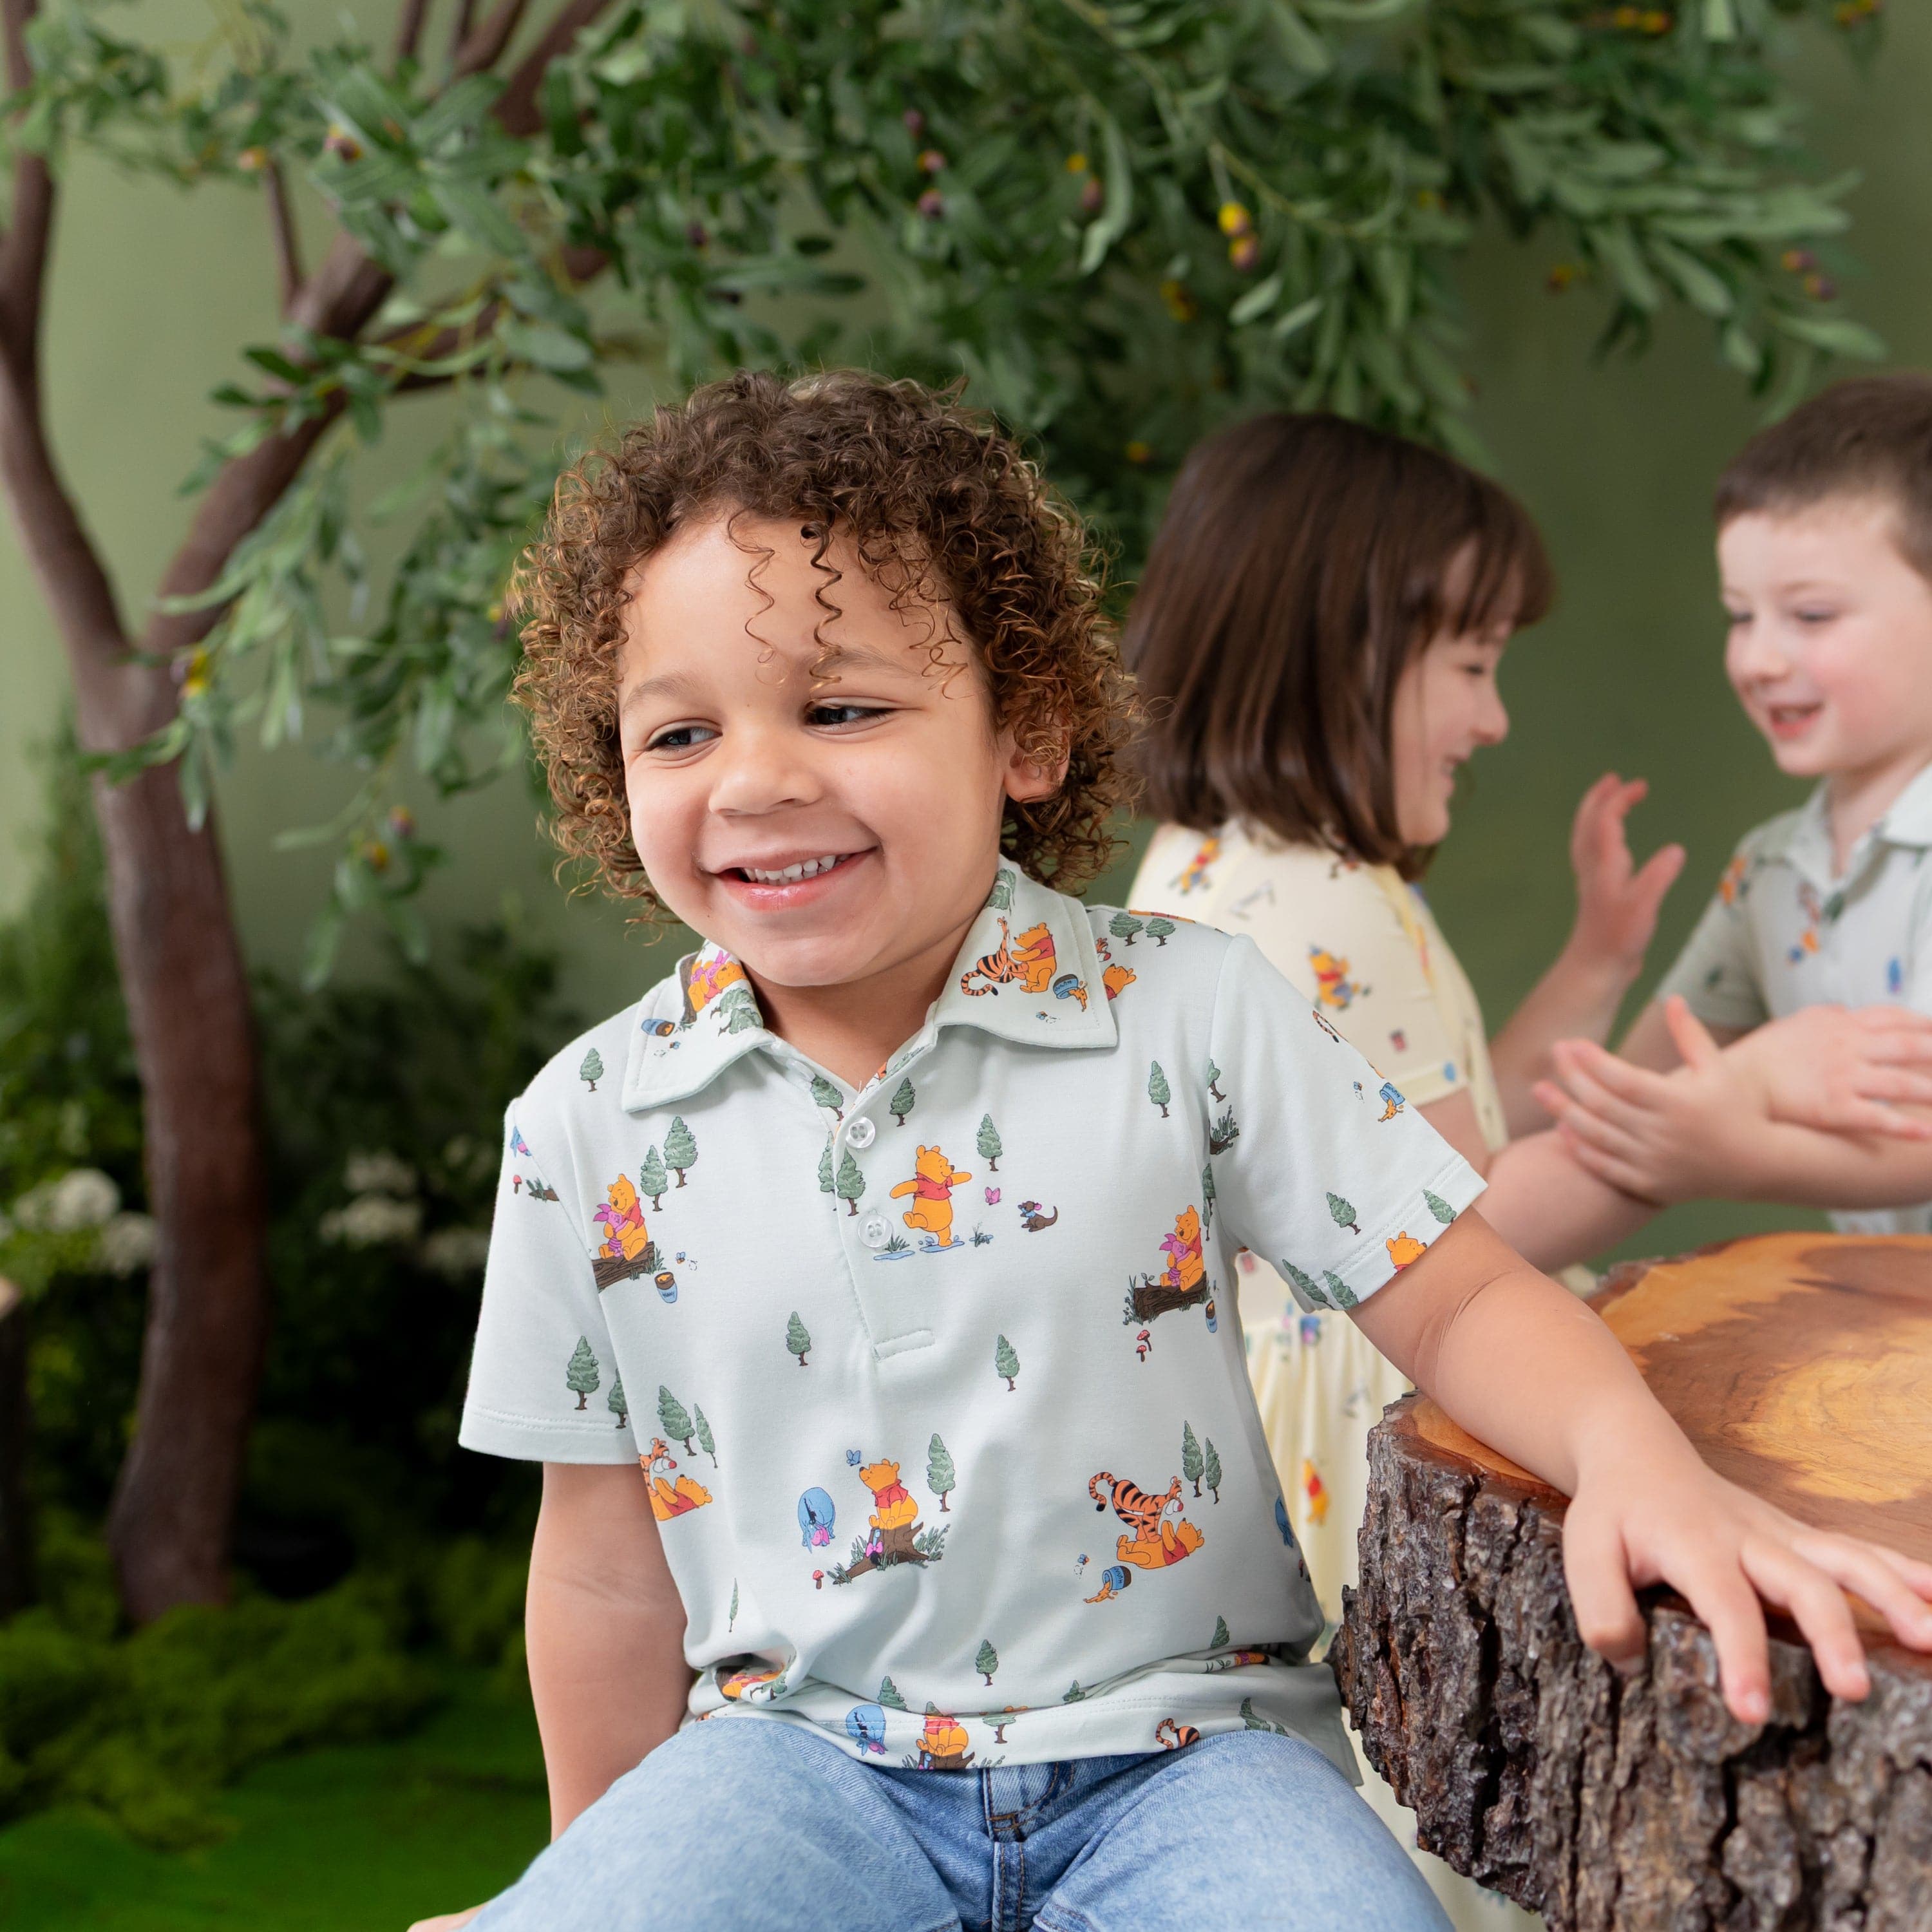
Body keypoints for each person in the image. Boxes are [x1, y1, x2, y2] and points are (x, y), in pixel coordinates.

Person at [413, 372, 1932, 1932]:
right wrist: (593, 1878)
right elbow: (600, 1572)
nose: (755, 778)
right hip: (796, 1762)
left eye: (841, 706)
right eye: (678, 732)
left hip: (1191, 1761)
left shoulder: (1192, 1009)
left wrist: (1635, 1462)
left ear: (1030, 732)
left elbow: (1462, 1299)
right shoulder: (586, 1124)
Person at [1122, 412, 1932, 1929]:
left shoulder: (1230, 871)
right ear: (1350, 651)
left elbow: (1445, 1134)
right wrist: (1723, 1113)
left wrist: (1593, 970)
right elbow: (1451, 1236)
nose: (1495, 720)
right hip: (1404, 1401)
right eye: (1475, 666)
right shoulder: (1321, 910)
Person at [1532, 377, 1932, 1213]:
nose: (1758, 660)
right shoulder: (1768, 875)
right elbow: (1638, 1095)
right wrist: (1599, 958)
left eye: (1812, 616)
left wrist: (1747, 1154)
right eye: (1740, 617)